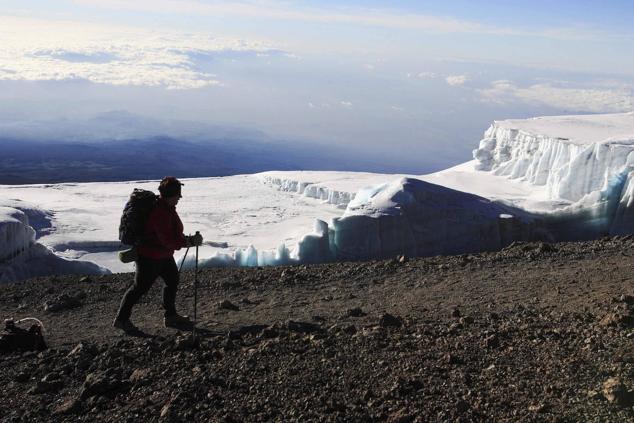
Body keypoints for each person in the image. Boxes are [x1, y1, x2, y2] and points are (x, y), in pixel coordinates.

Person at [113, 176, 203, 332]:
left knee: (172, 281)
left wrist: (187, 240)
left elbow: (172, 236)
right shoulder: (160, 212)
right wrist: (188, 242)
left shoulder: (167, 209)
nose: (179, 199)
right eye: (177, 196)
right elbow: (167, 240)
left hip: (163, 256)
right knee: (139, 288)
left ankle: (171, 316)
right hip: (149, 257)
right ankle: (121, 319)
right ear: (171, 195)